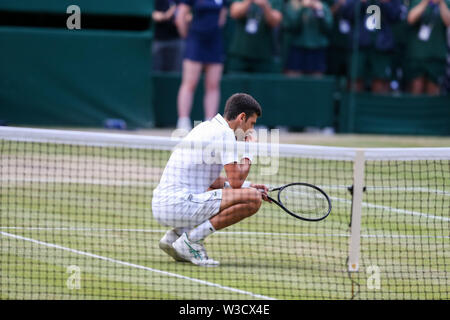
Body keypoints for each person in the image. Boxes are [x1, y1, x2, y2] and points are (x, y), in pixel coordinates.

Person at [152, 93, 270, 266]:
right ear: (241, 117)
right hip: (178, 204)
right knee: (253, 199)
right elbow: (235, 182)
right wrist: (249, 150)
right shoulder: (225, 134)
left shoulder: (206, 127)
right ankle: (191, 241)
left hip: (163, 205)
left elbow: (214, 182)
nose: (250, 131)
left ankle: (175, 236)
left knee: (245, 192)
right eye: (251, 124)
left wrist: (250, 185)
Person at [175, 0, 229, 131]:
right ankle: (183, 122)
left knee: (213, 84)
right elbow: (180, 17)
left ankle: (209, 123)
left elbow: (222, 18)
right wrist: (187, 36)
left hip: (215, 41)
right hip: (195, 41)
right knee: (189, 83)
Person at [344, 0, 402, 93]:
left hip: (382, 46)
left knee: (381, 79)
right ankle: (356, 106)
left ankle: (378, 106)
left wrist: (384, 3)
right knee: (355, 78)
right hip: (359, 44)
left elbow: (396, 16)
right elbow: (346, 13)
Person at [406, 0, 450, 95]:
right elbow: (410, 19)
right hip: (418, 54)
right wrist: (426, 2)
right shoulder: (417, 1)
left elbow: (448, 22)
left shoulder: (447, 2)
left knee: (434, 90)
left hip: (437, 55)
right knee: (416, 87)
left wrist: (441, 3)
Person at [227, 0, 283, 73]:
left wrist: (265, 6)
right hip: (239, 52)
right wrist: (248, 2)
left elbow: (275, 22)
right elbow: (234, 13)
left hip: (263, 55)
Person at [283, 0, 333, 76]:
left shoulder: (323, 7)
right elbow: (292, 27)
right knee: (293, 76)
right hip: (298, 47)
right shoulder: (293, 5)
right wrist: (303, 9)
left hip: (318, 48)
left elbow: (327, 28)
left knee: (316, 78)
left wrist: (318, 11)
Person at [152, 0, 184, 72]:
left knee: (176, 71)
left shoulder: (180, 1)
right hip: (158, 41)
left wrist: (182, 19)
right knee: (156, 71)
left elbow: (186, 16)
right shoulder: (157, 2)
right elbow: (155, 16)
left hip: (177, 40)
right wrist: (168, 14)